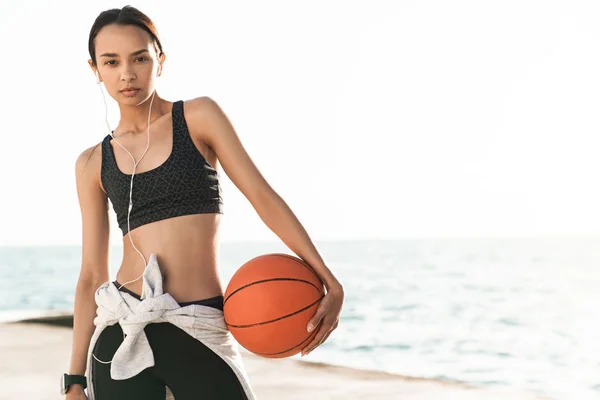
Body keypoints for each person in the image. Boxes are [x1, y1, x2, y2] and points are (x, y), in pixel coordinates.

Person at [63, 5, 345, 400]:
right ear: (95, 69)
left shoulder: (198, 117)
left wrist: (327, 278)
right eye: (111, 62)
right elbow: (91, 274)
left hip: (199, 324)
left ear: (159, 60)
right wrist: (74, 381)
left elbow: (263, 197)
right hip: (123, 332)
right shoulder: (93, 162)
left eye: (139, 57)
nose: (126, 73)